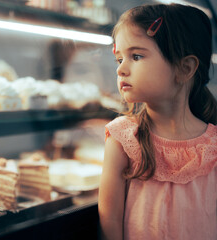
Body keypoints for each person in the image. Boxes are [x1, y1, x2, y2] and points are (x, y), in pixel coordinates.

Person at [98, 3, 217, 240]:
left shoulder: (213, 146)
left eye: (136, 56)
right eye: (119, 59)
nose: (121, 69)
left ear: (184, 68)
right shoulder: (123, 137)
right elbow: (109, 217)